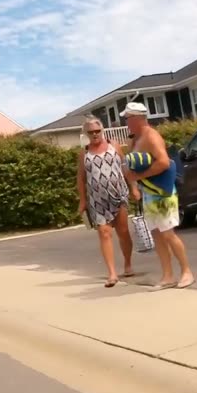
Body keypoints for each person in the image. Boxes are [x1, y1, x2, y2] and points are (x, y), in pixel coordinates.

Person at [120, 102, 195, 289]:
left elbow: (164, 163)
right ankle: (167, 275)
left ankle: (187, 271)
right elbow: (131, 167)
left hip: (163, 192)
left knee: (168, 233)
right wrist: (134, 185)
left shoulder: (152, 137)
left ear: (137, 118)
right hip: (149, 194)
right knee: (157, 234)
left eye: (127, 118)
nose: (126, 122)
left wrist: (138, 176)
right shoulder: (134, 140)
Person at [75, 116, 139, 287]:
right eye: (91, 132)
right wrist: (82, 201)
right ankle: (112, 273)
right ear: (86, 134)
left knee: (123, 232)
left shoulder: (114, 146)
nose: (95, 134)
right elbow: (81, 179)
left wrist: (133, 187)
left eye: (97, 131)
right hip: (97, 200)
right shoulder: (84, 153)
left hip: (119, 195)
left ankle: (127, 263)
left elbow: (125, 167)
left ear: (102, 131)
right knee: (104, 233)